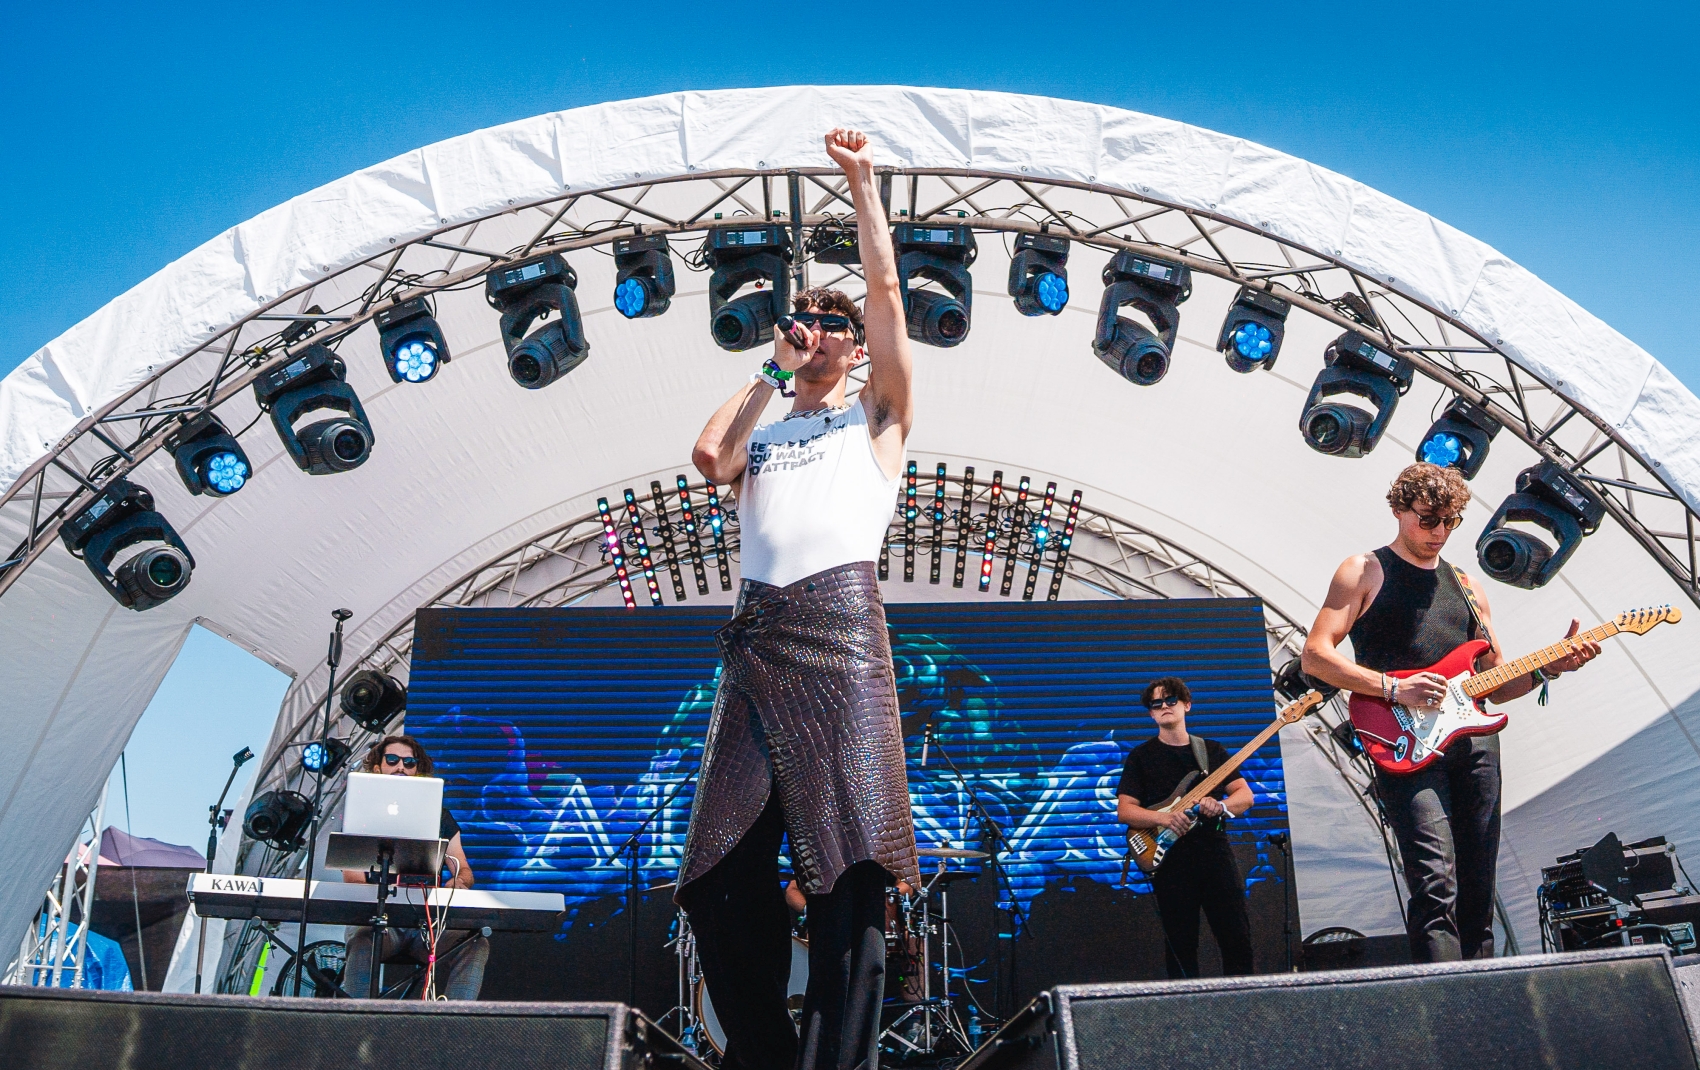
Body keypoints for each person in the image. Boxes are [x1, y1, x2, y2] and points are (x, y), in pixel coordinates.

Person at [678, 126, 920, 1070]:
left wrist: (861, 185)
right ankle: (768, 1058)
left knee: (851, 873)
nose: (813, 327)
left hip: (843, 637)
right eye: (802, 317)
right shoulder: (767, 431)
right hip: (760, 639)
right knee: (717, 874)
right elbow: (710, 457)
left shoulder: (877, 418)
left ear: (855, 350)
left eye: (830, 322)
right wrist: (772, 368)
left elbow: (888, 295)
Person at [1302, 462, 1602, 962]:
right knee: (1434, 882)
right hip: (1404, 741)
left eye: (1451, 522)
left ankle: (1484, 995)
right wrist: (1394, 688)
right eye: (1428, 519)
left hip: (1476, 746)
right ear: (1399, 510)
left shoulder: (1466, 585)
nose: (1439, 532)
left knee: (1478, 885)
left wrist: (1551, 668)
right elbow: (1316, 655)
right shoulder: (1364, 570)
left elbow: (1496, 685)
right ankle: (1446, 1000)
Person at [1116, 677, 1256, 979]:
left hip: (1214, 854)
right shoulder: (1140, 757)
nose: (1164, 706)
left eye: (1171, 700)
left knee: (1236, 937)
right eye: (1156, 704)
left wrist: (1221, 806)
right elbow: (1125, 811)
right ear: (1151, 713)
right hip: (1171, 862)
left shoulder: (1211, 751)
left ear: (1187, 705)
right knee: (1181, 946)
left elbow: (1244, 796)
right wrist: (1163, 819)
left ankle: (1244, 1001)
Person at [339, 734, 489, 999]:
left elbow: (463, 868)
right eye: (392, 760)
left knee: (475, 943)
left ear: (417, 770)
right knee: (362, 938)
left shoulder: (440, 816)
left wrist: (459, 881)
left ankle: (457, 1017)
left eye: (409, 763)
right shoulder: (359, 812)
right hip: (380, 924)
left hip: (427, 926)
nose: (401, 767)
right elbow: (352, 877)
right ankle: (356, 1016)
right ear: (378, 768)